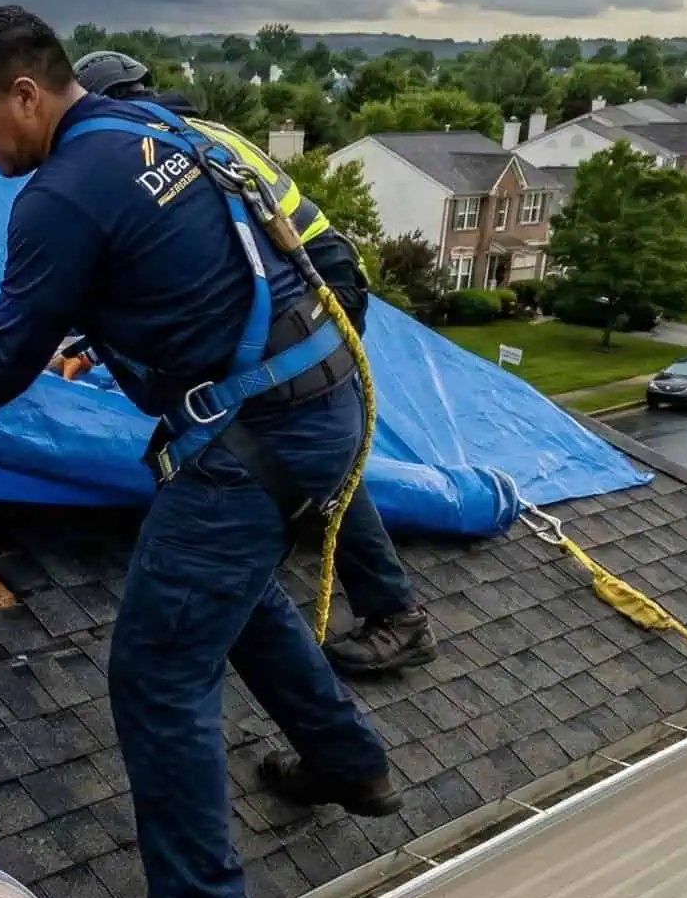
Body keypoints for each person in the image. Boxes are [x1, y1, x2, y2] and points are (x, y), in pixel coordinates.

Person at [0, 9, 399, 898]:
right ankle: (349, 762)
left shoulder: (59, 195)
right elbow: (134, 260)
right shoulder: (140, 132)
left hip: (254, 437)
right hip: (318, 401)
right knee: (235, 601)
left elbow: (8, 369)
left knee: (154, 669)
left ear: (27, 94)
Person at [71, 48, 434, 679]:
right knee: (290, 445)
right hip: (320, 280)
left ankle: (394, 613)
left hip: (312, 292)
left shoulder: (158, 153)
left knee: (267, 440)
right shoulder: (192, 135)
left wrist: (58, 338)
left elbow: (159, 269)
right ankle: (383, 604)